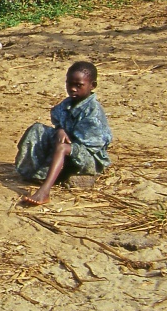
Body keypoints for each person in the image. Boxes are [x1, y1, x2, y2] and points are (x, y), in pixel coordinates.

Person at [15, 62, 112, 206]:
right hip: (70, 147)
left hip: (89, 157)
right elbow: (58, 119)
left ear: (92, 85)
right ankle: (34, 172)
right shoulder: (68, 103)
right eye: (69, 84)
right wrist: (60, 130)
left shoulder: (93, 112)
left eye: (79, 85)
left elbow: (91, 144)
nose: (72, 89)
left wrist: (66, 139)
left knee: (62, 147)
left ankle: (44, 191)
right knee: (37, 129)